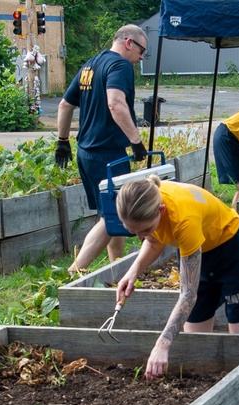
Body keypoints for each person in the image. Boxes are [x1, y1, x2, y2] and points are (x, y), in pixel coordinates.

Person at [113, 176, 239, 379]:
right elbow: (152, 241)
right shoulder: (144, 200)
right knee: (196, 339)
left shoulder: (184, 220)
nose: (140, 236)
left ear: (161, 210)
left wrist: (162, 344)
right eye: (132, 232)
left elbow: (188, 294)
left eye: (145, 229)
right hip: (195, 249)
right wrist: (132, 272)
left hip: (231, 249)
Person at [55, 24, 149, 274]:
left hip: (86, 152)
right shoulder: (120, 66)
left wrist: (62, 142)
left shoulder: (90, 65)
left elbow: (65, 105)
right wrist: (136, 142)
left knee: (112, 213)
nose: (141, 58)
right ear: (129, 42)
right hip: (108, 153)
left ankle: (116, 268)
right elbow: (116, 104)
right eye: (141, 51)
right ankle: (73, 274)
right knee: (113, 217)